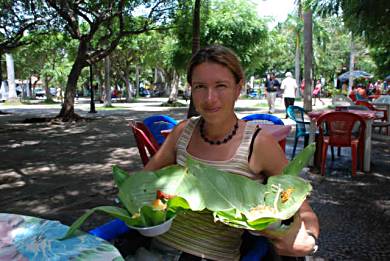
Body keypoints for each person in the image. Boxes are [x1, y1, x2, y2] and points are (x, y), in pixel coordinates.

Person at [141, 45, 319, 261]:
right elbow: (143, 182)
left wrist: (307, 238)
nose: (209, 98)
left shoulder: (258, 144)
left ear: (238, 88)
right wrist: (158, 201)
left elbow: (299, 203)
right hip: (156, 250)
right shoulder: (182, 132)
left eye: (221, 86)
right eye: (200, 86)